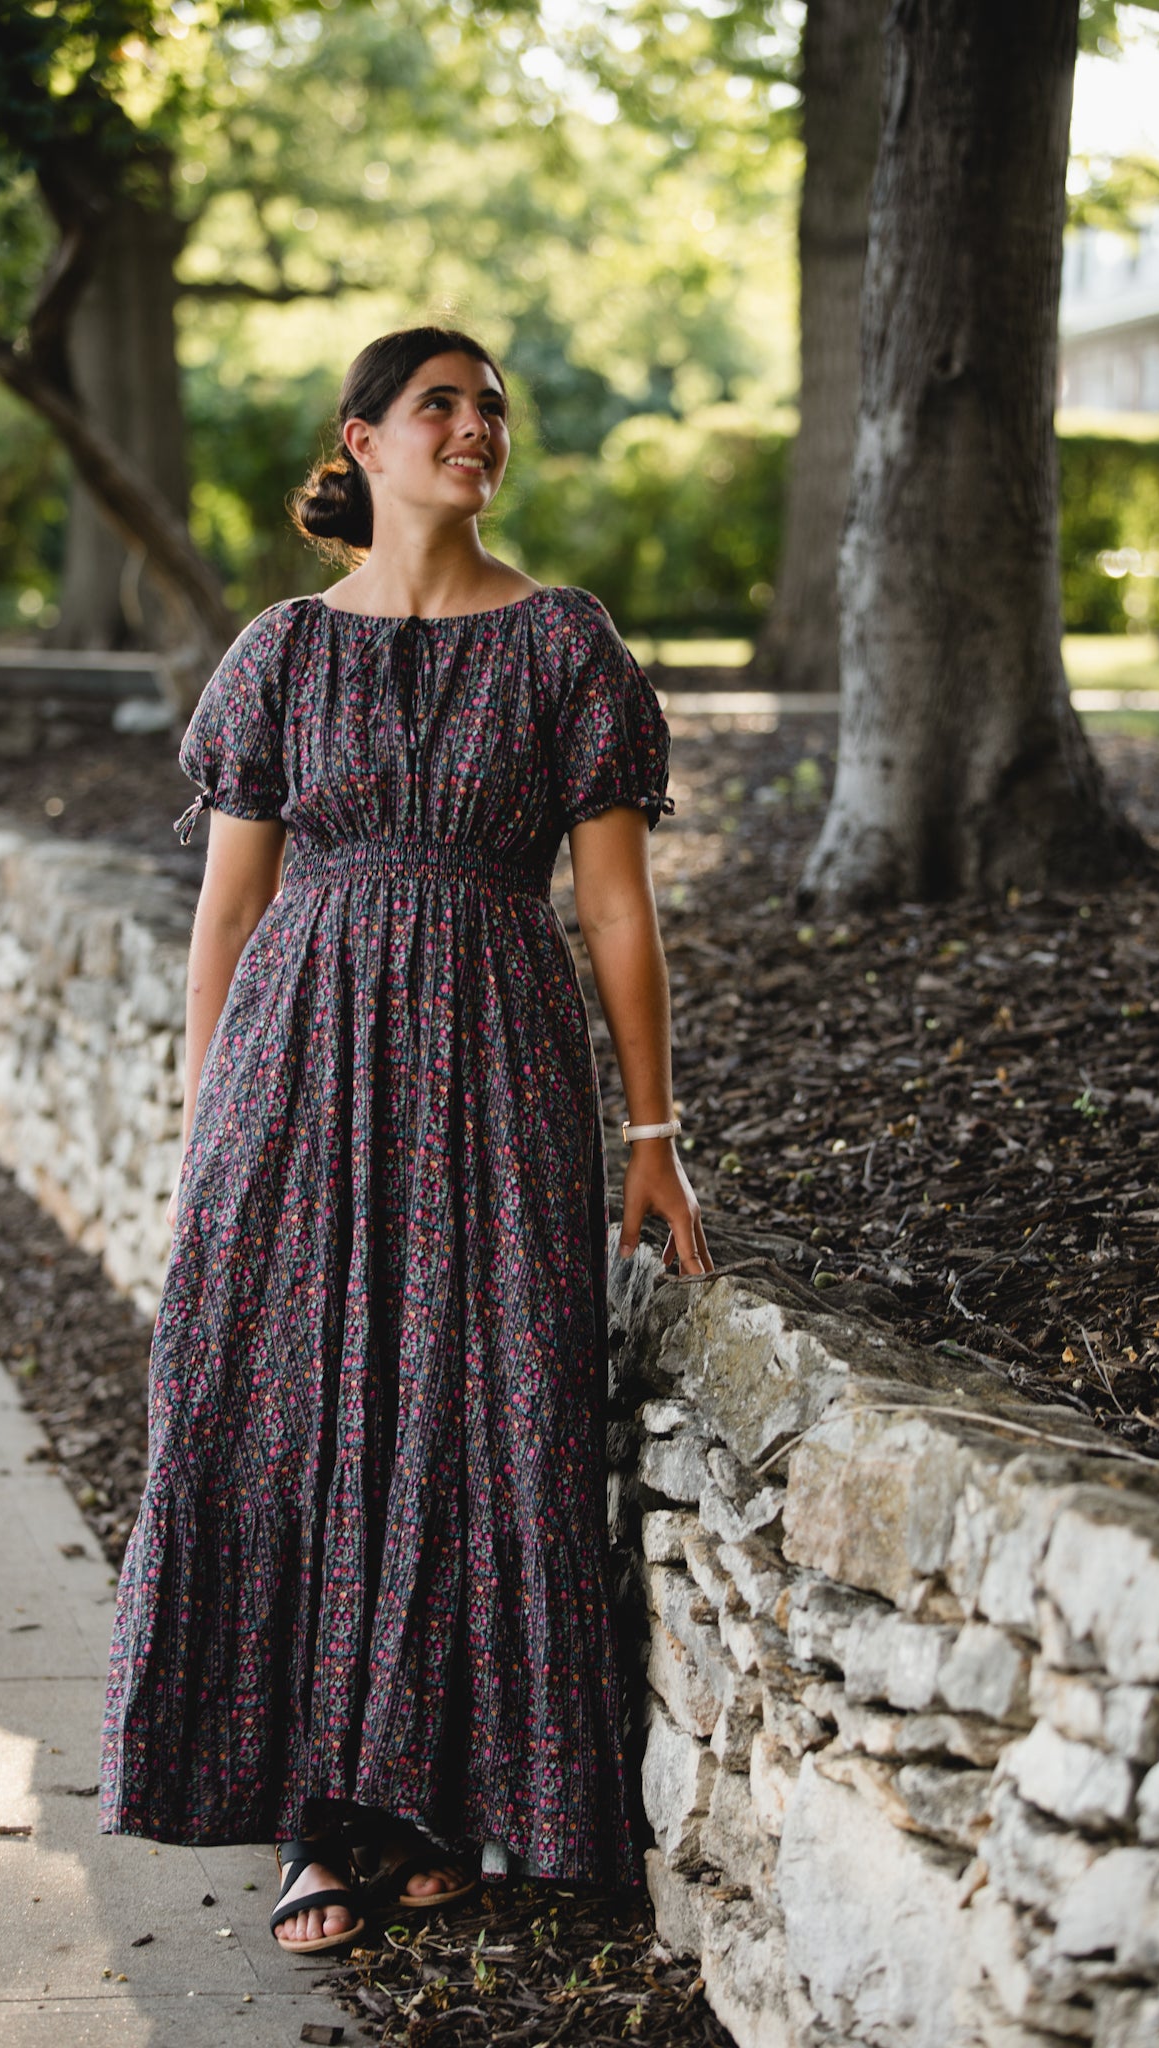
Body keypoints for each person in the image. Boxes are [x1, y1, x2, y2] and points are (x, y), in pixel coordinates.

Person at [99, 324, 712, 1955]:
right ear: (360, 442)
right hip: (297, 1064)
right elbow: (226, 915)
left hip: (499, 1056)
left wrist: (652, 1130)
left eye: (491, 408)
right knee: (297, 1409)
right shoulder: (282, 653)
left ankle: (441, 1800)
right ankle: (318, 1814)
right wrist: (204, 1129)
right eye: (440, 404)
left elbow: (613, 907)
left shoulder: (567, 644)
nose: (476, 428)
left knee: (477, 1401)